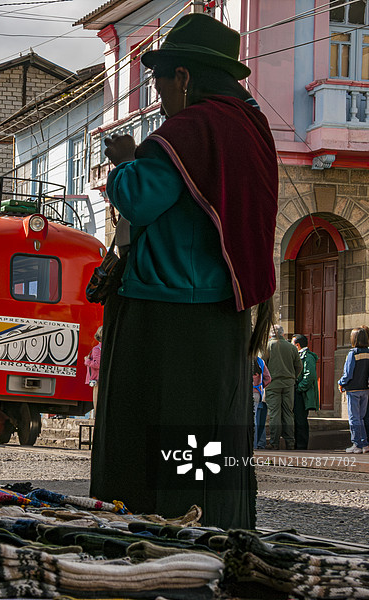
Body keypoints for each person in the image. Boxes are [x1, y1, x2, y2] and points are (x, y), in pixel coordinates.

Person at [90, 14, 278, 530]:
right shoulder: (249, 125)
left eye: (160, 81)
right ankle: (217, 523)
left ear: (186, 78)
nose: (158, 94)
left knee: (150, 440)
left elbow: (139, 199)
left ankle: (159, 530)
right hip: (224, 314)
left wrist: (125, 161)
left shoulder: (190, 130)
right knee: (206, 437)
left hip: (167, 316)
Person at [263, 325, 302, 450]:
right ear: (283, 334)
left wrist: (266, 381)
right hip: (288, 384)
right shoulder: (292, 347)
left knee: (275, 413)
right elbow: (299, 366)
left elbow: (262, 365)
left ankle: (274, 443)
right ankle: (290, 442)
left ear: (271, 335)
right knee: (288, 413)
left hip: (272, 384)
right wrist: (292, 377)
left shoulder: (267, 346)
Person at [337, 327, 369, 454]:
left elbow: (348, 374)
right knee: (361, 417)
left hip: (353, 389)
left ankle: (357, 444)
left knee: (354, 418)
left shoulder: (352, 353)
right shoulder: (367, 352)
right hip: (365, 389)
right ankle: (364, 444)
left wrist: (341, 383)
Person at [292, 334, 318, 450]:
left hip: (302, 394)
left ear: (297, 345)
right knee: (297, 420)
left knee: (301, 420)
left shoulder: (307, 357)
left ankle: (301, 446)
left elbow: (310, 375)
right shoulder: (298, 355)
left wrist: (299, 388)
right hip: (298, 391)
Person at [253, 356, 271, 450]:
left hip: (244, 393)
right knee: (255, 419)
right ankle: (254, 444)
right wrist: (260, 386)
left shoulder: (242, 359)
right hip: (257, 393)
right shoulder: (260, 361)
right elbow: (268, 378)